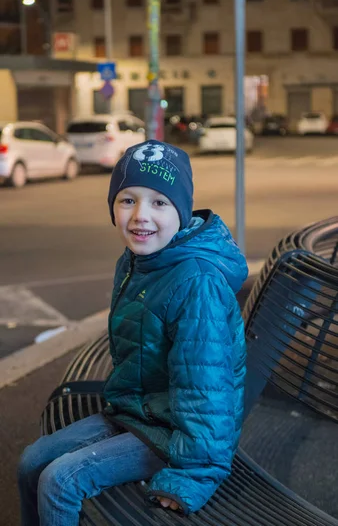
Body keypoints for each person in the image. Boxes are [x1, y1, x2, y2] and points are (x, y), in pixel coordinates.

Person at [18, 140, 248, 525]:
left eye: (159, 202)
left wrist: (191, 476)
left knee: (61, 481)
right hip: (136, 410)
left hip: (175, 433)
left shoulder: (196, 283)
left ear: (182, 210)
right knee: (31, 462)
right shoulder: (138, 262)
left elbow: (208, 393)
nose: (141, 215)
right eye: (128, 200)